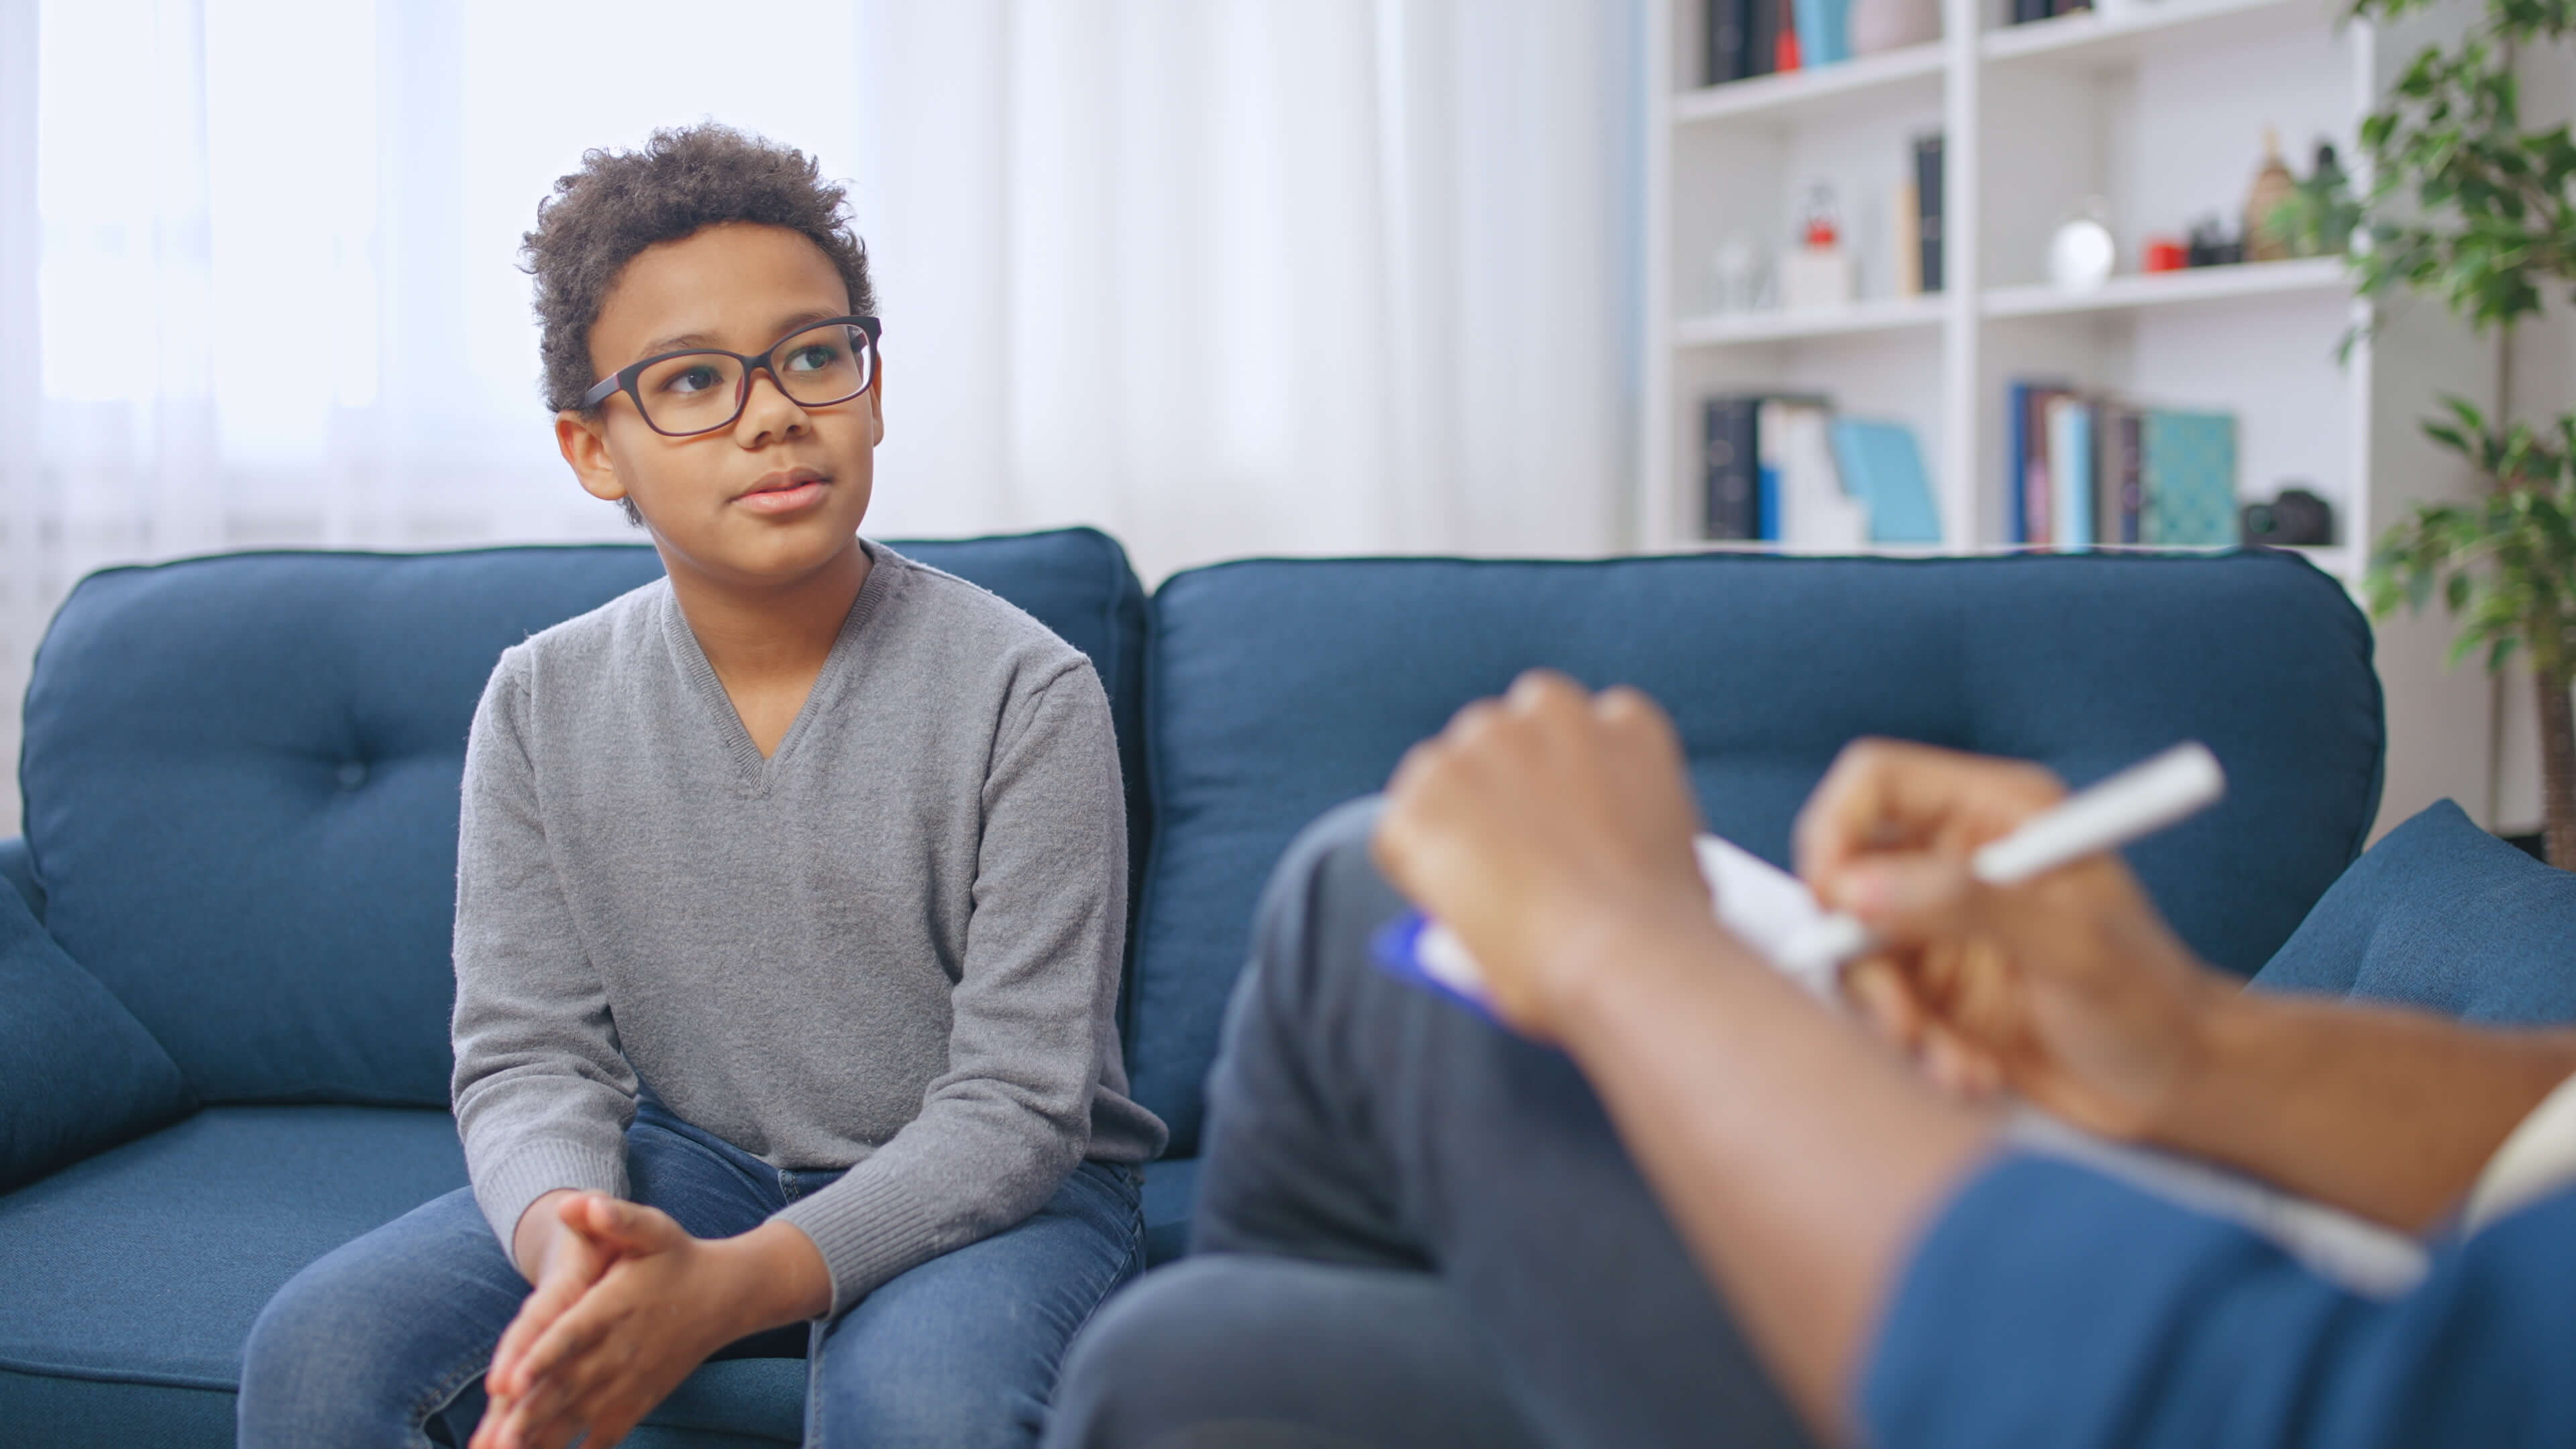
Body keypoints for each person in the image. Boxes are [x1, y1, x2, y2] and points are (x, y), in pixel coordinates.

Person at [237, 123, 1165, 1449]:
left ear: (873, 390)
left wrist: (730, 1289)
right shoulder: (541, 700)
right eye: (691, 381)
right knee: (318, 1351)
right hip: (699, 1164)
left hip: (1008, 1190)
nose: (774, 412)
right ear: (593, 450)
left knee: (922, 1404)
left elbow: (1019, 1109)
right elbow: (528, 1057)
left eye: (813, 356)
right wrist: (570, 1239)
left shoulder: (1030, 693)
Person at [1046, 670, 2576, 1447]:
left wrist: (1622, 939)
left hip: (2155, 1369)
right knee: (1179, 1362)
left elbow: (2245, 1403)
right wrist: (2197, 1043)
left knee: (1375, 898)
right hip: (2297, 1270)